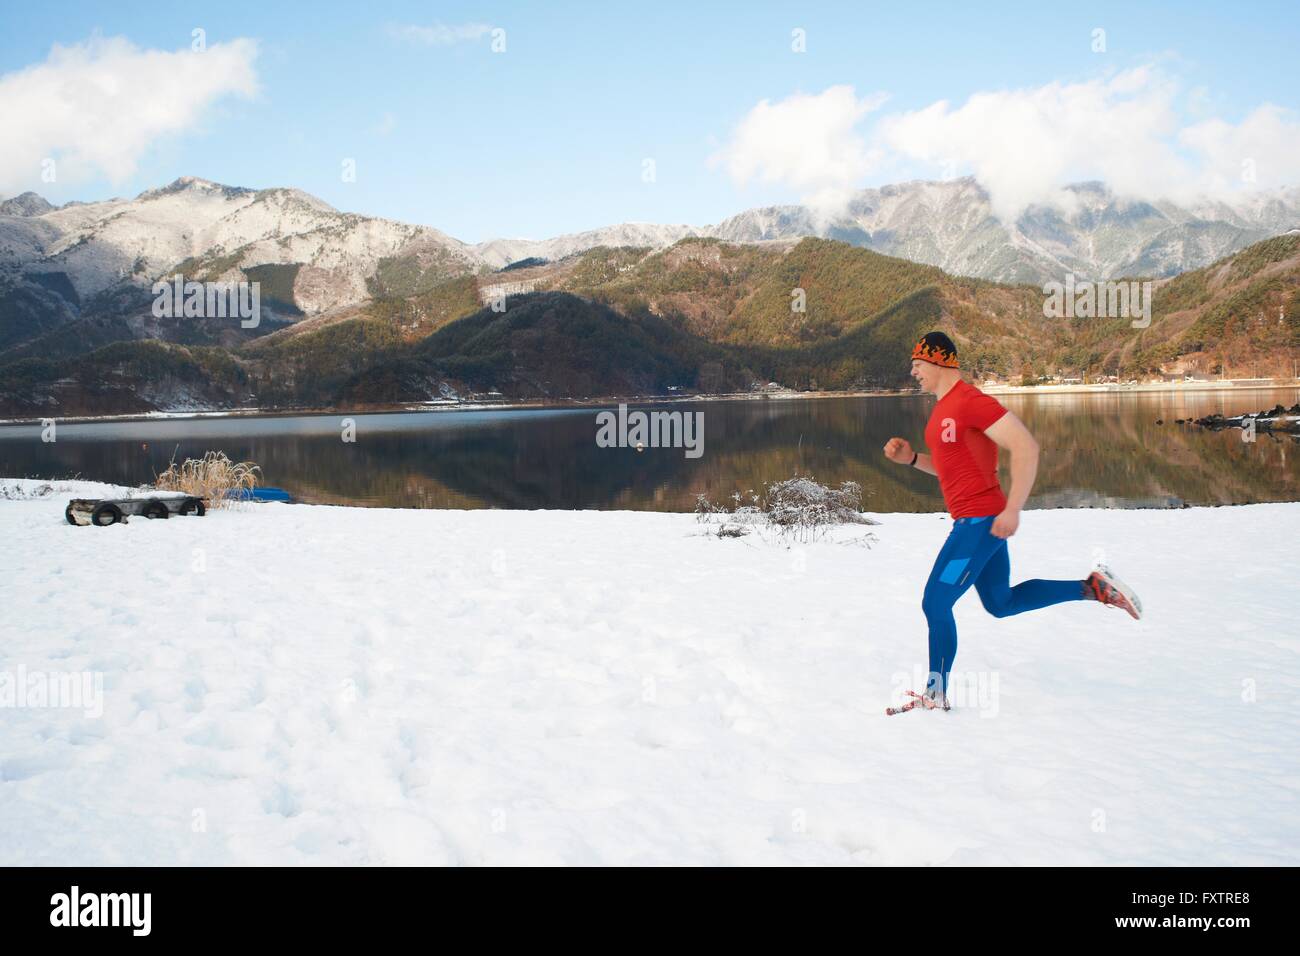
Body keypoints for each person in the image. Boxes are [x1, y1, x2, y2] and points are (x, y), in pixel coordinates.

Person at [882, 331, 1142, 714]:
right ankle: (1092, 588)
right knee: (1000, 603)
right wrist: (911, 459)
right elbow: (950, 469)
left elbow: (1025, 445)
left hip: (980, 522)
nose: (913, 370)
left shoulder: (971, 401)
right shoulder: (941, 411)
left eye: (918, 363)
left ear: (938, 361)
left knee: (935, 602)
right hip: (975, 520)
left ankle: (935, 694)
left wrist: (1013, 508)